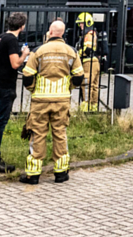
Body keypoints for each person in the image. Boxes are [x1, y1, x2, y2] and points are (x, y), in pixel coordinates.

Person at [19, 20, 84, 184]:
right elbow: (79, 75)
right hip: (62, 100)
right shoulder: (71, 51)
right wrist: (69, 88)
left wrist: (33, 89)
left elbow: (27, 75)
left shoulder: (38, 51)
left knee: (37, 135)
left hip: (40, 100)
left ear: (50, 31)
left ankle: (33, 175)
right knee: (60, 134)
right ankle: (61, 173)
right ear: (62, 33)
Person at [0, 12, 30, 173]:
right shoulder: (11, 41)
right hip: (5, 85)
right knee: (0, 121)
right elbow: (15, 63)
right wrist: (25, 54)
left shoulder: (1, 37)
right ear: (22, 26)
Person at [76, 12, 100, 112]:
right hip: (95, 62)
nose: (80, 25)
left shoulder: (88, 36)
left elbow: (88, 50)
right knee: (94, 86)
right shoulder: (92, 33)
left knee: (86, 84)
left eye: (82, 23)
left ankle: (85, 107)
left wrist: (78, 53)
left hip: (88, 62)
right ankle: (94, 107)